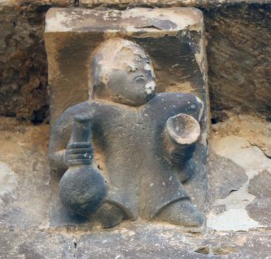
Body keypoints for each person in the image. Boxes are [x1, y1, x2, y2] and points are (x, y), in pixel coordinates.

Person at [49, 38, 205, 228]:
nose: (141, 70)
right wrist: (68, 157)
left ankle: (170, 203)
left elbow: (195, 105)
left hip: (166, 189)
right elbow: (54, 154)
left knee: (186, 212)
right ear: (102, 79)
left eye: (146, 65)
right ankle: (112, 206)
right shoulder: (93, 111)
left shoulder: (168, 105)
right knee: (99, 201)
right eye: (128, 67)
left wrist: (181, 147)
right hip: (114, 192)